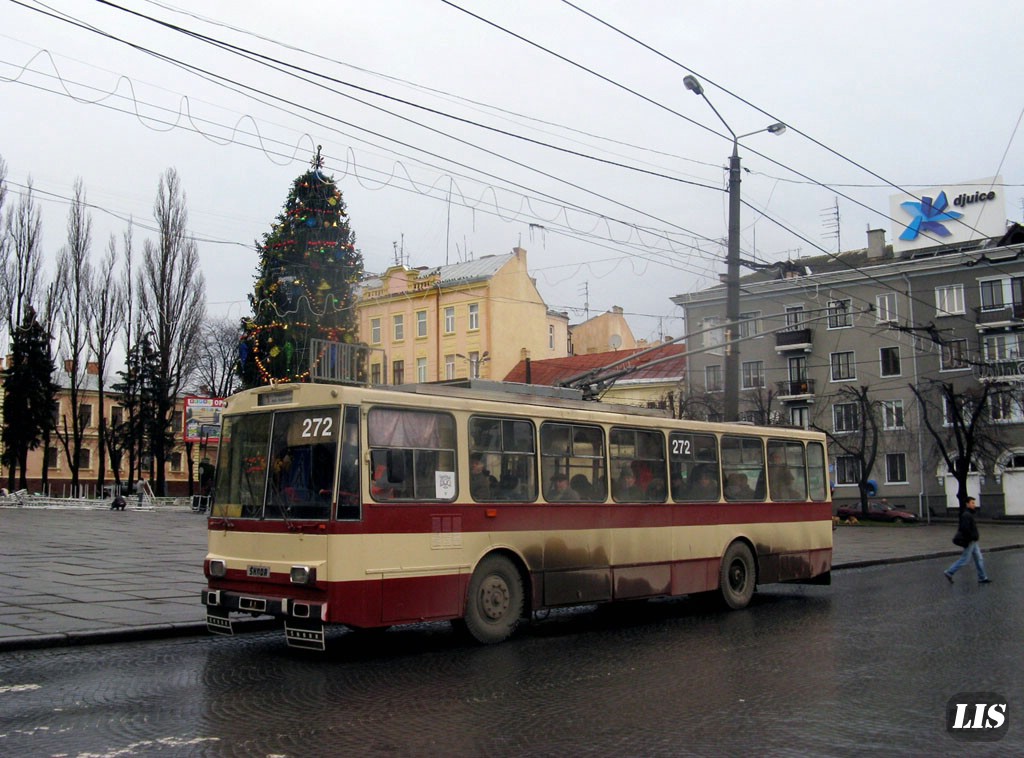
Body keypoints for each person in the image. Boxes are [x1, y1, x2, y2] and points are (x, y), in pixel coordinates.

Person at [944, 496, 991, 584]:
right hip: (970, 540)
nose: (974, 505)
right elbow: (965, 528)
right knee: (965, 559)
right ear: (967, 504)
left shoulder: (968, 514)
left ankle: (982, 577)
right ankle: (949, 572)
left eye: (974, 503)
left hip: (973, 540)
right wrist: (971, 538)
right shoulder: (966, 515)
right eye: (972, 503)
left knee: (979, 558)